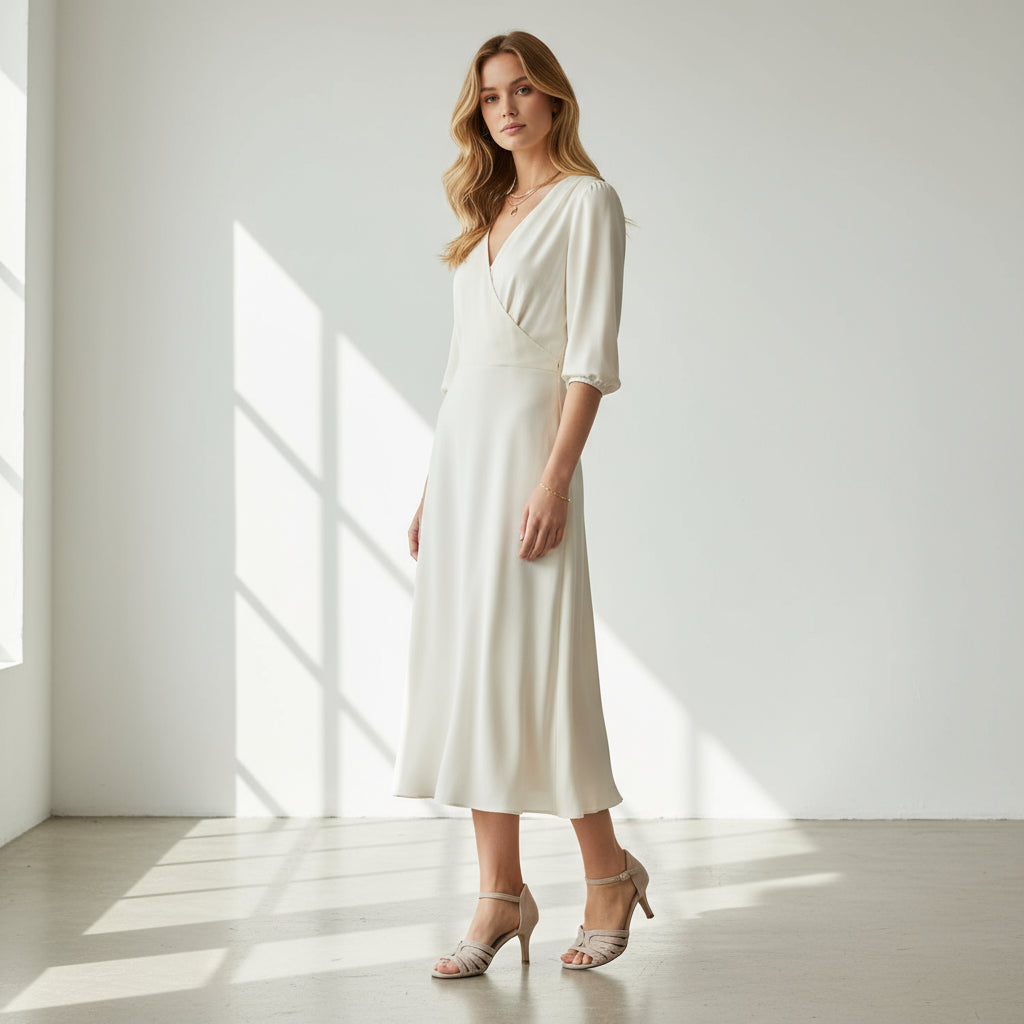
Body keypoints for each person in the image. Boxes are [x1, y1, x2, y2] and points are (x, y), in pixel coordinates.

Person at [392, 30, 653, 977]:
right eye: (491, 94)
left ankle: (606, 872)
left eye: (522, 90)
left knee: (540, 671)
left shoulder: (587, 202)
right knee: (472, 674)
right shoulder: (489, 212)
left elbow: (589, 357)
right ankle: (499, 895)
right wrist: (433, 483)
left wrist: (553, 477)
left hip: (530, 464)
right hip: (465, 466)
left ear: (553, 100)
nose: (505, 107)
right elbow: (464, 370)